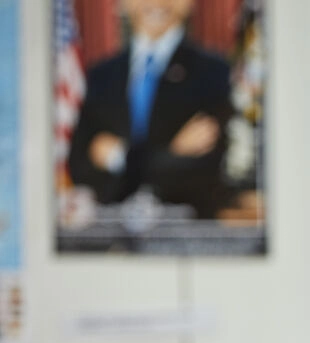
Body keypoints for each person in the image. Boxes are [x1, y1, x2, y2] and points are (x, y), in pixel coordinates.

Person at [66, 0, 233, 219]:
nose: (156, 2)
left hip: (187, 228)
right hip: (112, 228)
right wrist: (172, 154)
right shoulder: (102, 75)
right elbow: (80, 167)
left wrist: (119, 157)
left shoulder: (216, 73)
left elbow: (208, 169)